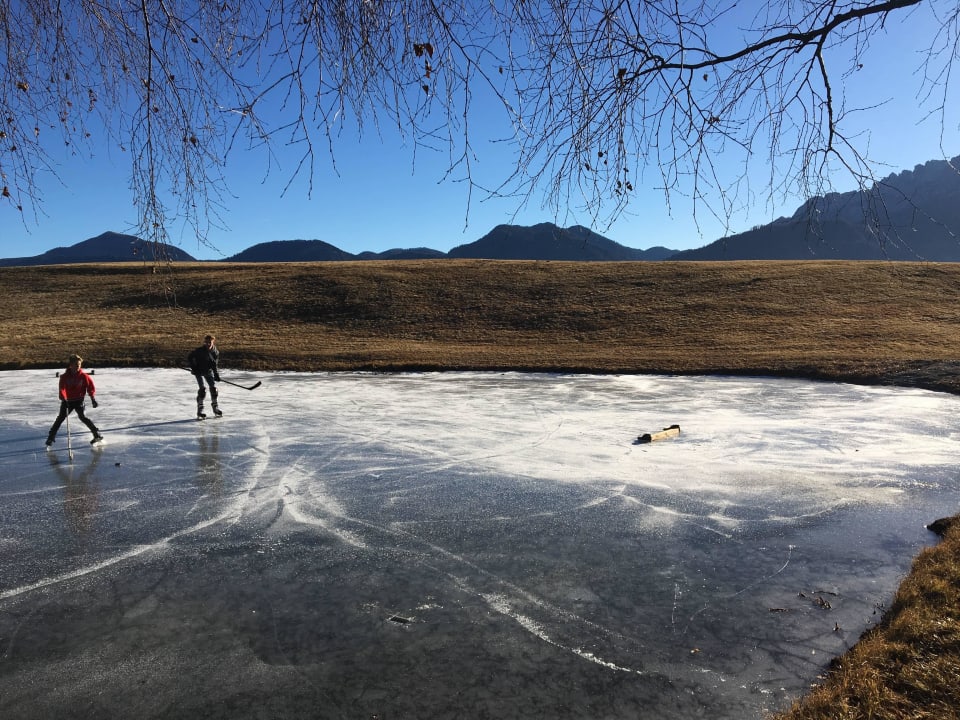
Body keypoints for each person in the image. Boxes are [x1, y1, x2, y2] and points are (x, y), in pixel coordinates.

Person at [47, 354, 103, 446]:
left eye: (79, 365)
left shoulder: (84, 376)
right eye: (76, 365)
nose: (78, 366)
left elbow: (90, 387)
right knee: (60, 418)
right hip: (67, 402)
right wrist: (64, 398)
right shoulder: (64, 377)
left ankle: (97, 435)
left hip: (79, 401)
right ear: (71, 365)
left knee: (83, 417)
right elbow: (62, 389)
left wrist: (93, 398)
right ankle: (51, 437)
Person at [188, 334, 222, 419]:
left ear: (213, 342)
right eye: (206, 342)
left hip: (208, 371)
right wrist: (194, 368)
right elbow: (190, 357)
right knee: (202, 389)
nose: (208, 344)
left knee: (213, 389)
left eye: (209, 342)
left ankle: (215, 407)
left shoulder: (215, 352)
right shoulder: (199, 351)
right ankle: (200, 409)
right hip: (198, 371)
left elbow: (214, 364)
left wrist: (216, 374)